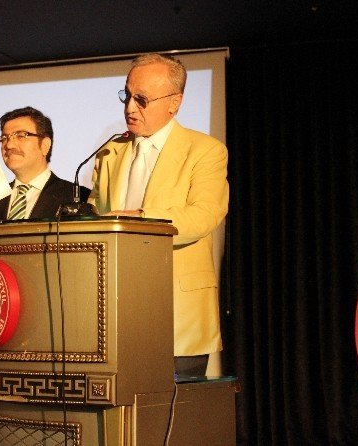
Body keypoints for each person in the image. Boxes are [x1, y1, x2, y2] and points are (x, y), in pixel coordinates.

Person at [88, 53, 229, 376]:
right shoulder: (110, 152)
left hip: (176, 312)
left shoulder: (204, 150)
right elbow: (96, 214)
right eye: (126, 95)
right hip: (115, 309)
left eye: (141, 99)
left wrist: (139, 220)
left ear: (174, 103)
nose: (129, 108)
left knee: (173, 404)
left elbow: (205, 214)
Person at [0, 106, 88, 223]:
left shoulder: (79, 198)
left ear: (45, 145)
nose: (9, 145)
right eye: (4, 138)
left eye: (21, 136)